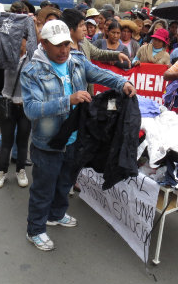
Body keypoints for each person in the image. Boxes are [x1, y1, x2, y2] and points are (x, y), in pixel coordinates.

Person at [21, 19, 136, 251]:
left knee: (65, 181)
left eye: (66, 44)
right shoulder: (31, 70)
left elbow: (101, 74)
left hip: (75, 138)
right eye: (57, 45)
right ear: (43, 43)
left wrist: (122, 82)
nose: (64, 50)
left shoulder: (77, 61)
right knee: (43, 188)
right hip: (48, 142)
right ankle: (35, 229)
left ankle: (56, 214)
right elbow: (31, 109)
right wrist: (68, 101)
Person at [0, 37, 31, 189]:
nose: (19, 43)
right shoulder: (7, 57)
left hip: (26, 105)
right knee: (7, 141)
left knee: (23, 141)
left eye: (22, 39)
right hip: (8, 103)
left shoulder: (34, 57)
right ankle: (2, 171)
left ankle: (20, 170)